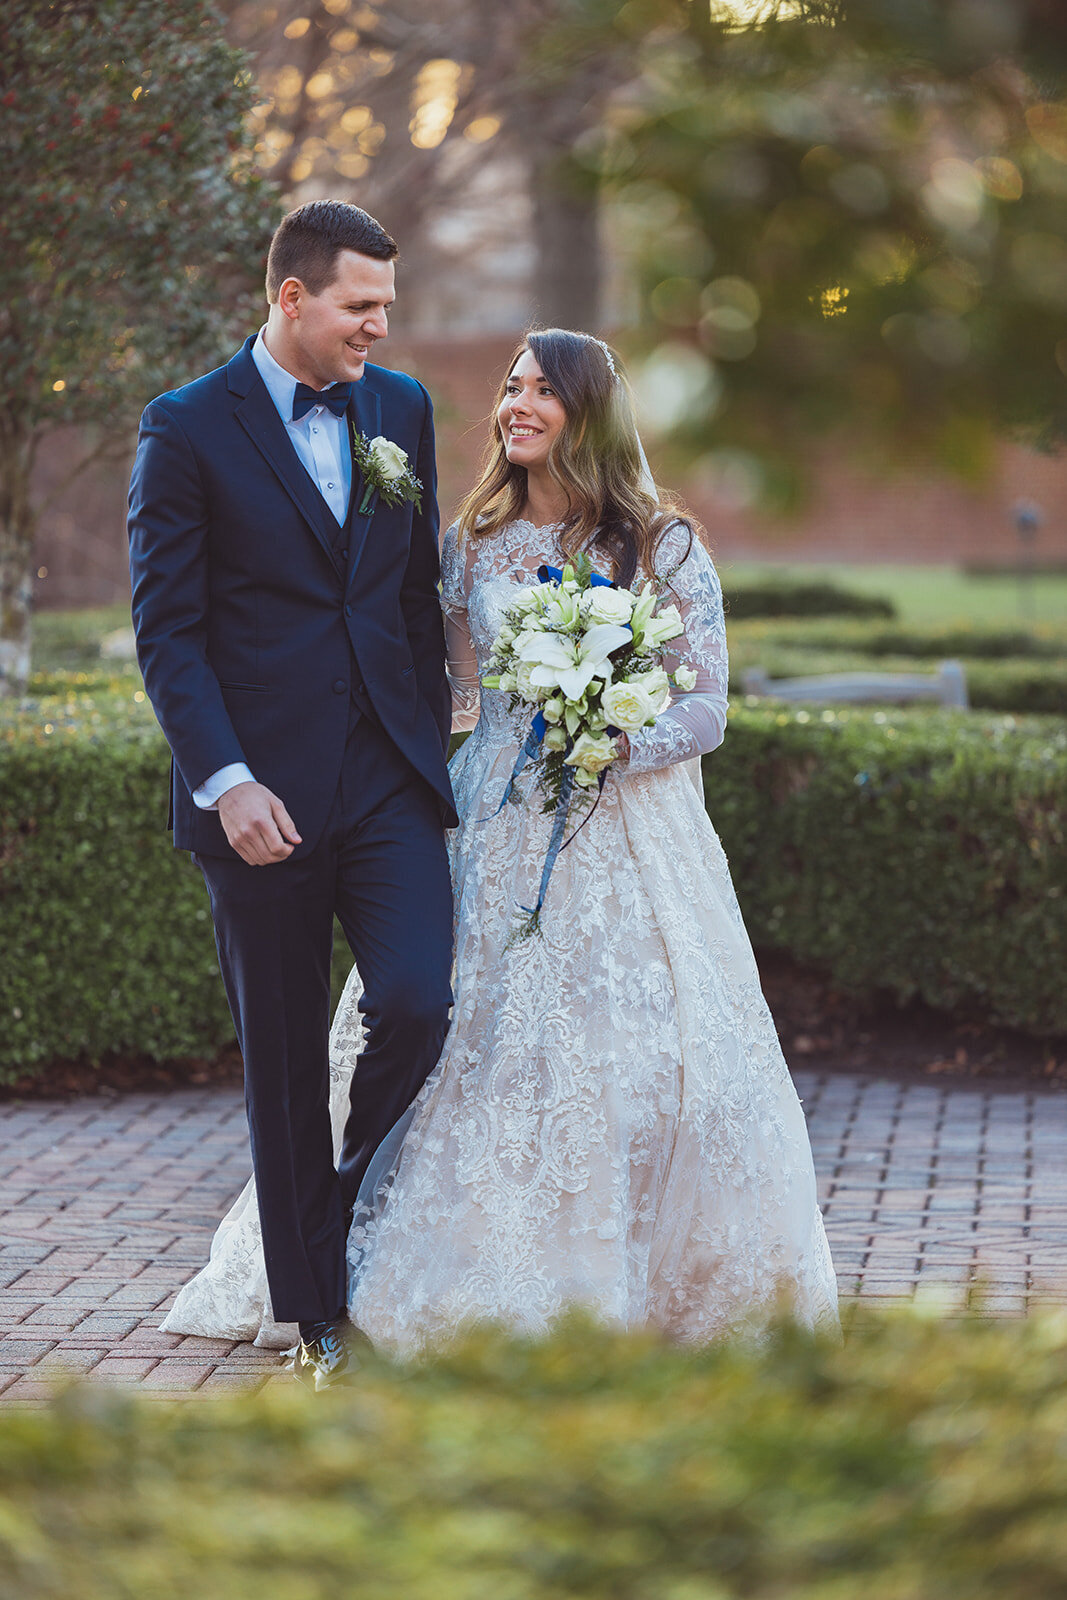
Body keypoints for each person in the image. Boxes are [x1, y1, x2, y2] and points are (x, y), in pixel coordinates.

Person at [163, 327, 838, 1358]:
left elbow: (707, 707)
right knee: (448, 1026)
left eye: (539, 391)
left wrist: (621, 735)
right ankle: (369, 1257)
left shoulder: (661, 546)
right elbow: (428, 682)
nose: (513, 404)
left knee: (639, 1056)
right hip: (493, 817)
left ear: (589, 414)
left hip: (629, 825)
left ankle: (645, 1278)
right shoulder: (472, 539)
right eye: (509, 387)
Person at [128, 201, 456, 1391]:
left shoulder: (401, 409)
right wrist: (226, 783)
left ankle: (323, 1205)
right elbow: (167, 634)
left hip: (384, 782)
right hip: (254, 802)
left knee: (419, 1000)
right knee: (279, 1062)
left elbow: (409, 598)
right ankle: (315, 1314)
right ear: (291, 299)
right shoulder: (183, 429)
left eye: (386, 304)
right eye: (361, 305)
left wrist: (426, 743)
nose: (381, 325)